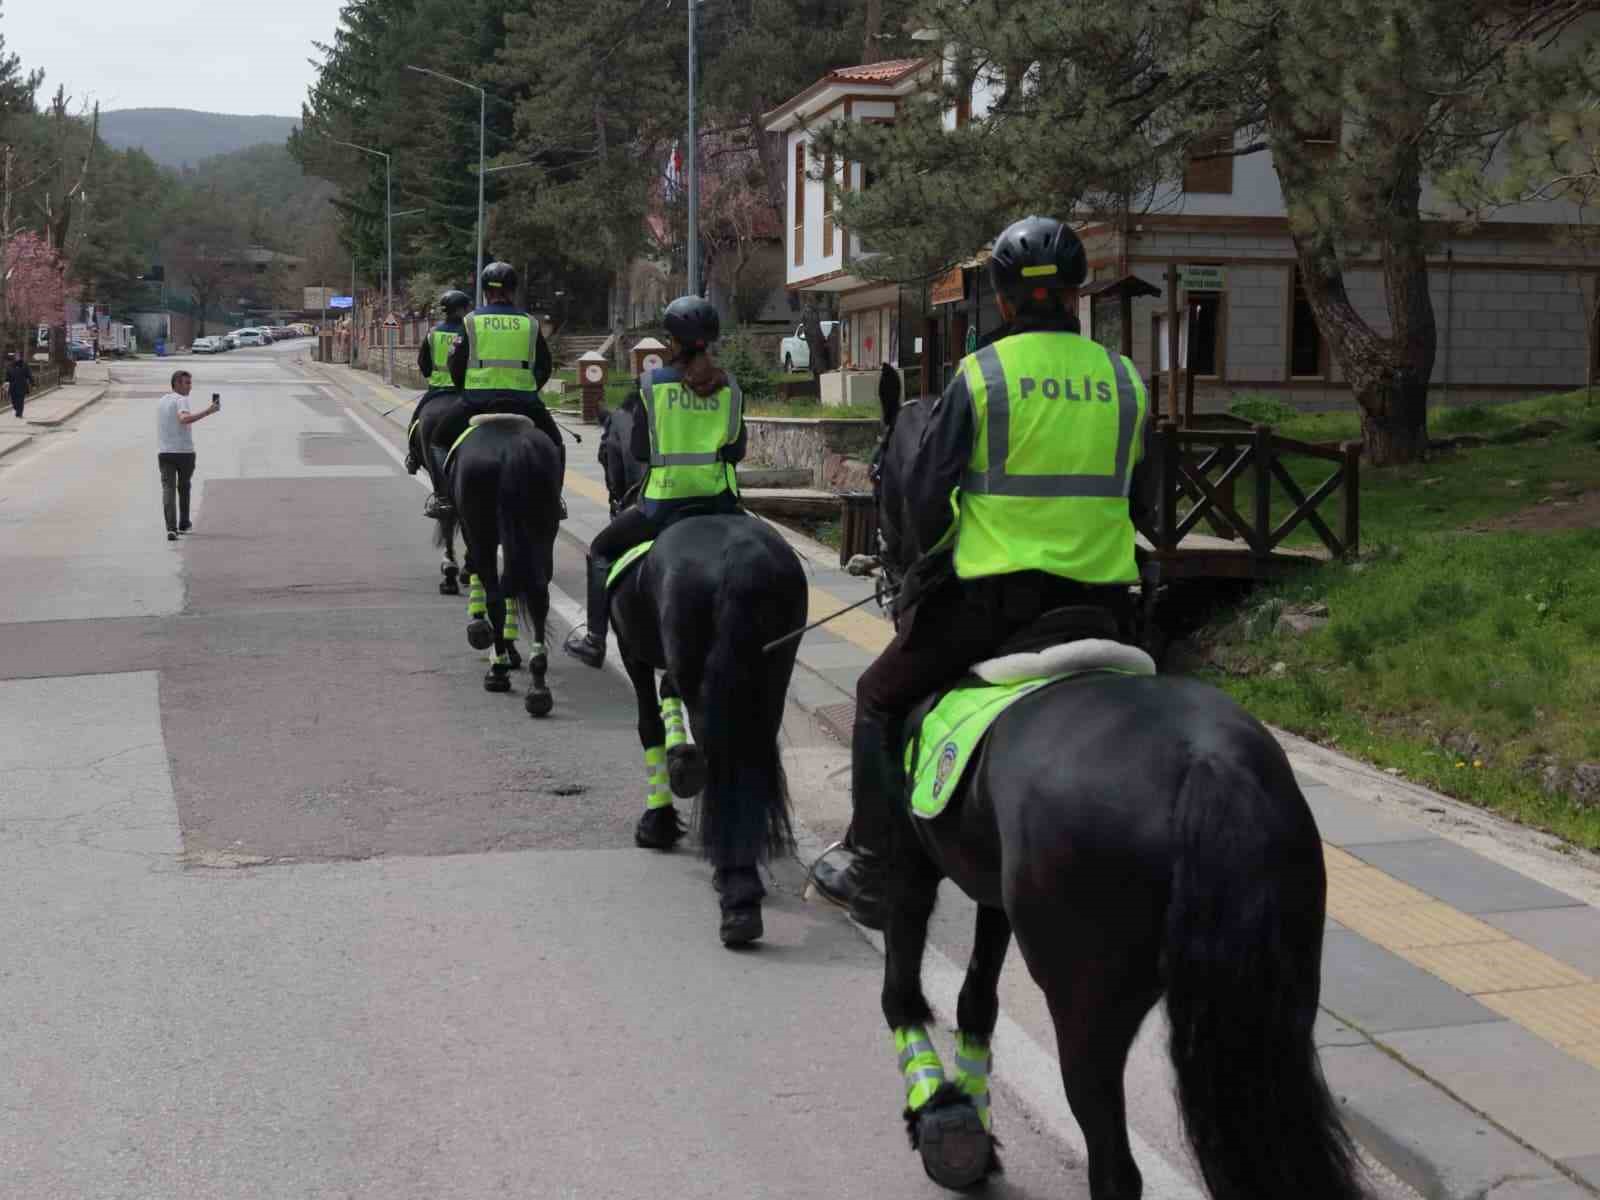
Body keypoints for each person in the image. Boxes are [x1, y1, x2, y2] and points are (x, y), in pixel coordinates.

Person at [831, 215, 1155, 929]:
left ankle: (873, 861)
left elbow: (924, 500)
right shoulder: (1126, 380)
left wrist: (940, 555)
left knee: (877, 698)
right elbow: (1150, 503)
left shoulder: (981, 376)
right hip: (1104, 606)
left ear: (1004, 301)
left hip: (991, 607)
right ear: (1075, 295)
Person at [563, 294, 745, 669]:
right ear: (709, 340)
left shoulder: (651, 385)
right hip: (723, 502)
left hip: (664, 504)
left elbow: (641, 450)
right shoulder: (731, 387)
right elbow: (736, 451)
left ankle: (595, 640)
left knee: (600, 550)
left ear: (672, 342)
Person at [427, 261, 565, 516]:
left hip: (477, 400)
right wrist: (530, 390)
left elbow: (455, 363)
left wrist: (466, 390)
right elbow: (545, 366)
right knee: (556, 445)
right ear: (513, 290)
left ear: (485, 292)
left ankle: (444, 498)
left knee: (437, 441)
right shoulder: (529, 323)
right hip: (524, 402)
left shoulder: (471, 322)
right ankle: (555, 501)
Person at [404, 288, 471, 514]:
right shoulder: (470, 332)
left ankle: (413, 457)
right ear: (462, 310)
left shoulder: (433, 334)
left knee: (415, 421)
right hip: (464, 392)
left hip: (437, 391)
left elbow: (423, 363)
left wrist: (434, 376)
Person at [156, 369, 220, 541]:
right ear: (176, 383)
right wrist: (209, 411)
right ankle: (183, 523)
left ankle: (171, 528)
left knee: (168, 489)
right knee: (184, 487)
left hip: (164, 453)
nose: (190, 387)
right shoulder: (181, 400)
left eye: (190, 383)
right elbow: (183, 419)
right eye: (187, 383)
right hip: (184, 452)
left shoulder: (162, 400)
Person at [6, 352, 32, 418]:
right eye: (16, 357)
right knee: (14, 400)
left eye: (18, 356)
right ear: (14, 358)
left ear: (20, 357)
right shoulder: (10, 365)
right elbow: (8, 376)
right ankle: (16, 409)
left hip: (22, 385)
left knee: (20, 400)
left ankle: (19, 413)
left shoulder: (25, 365)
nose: (17, 358)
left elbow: (29, 375)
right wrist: (6, 382)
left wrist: (33, 383)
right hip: (13, 386)